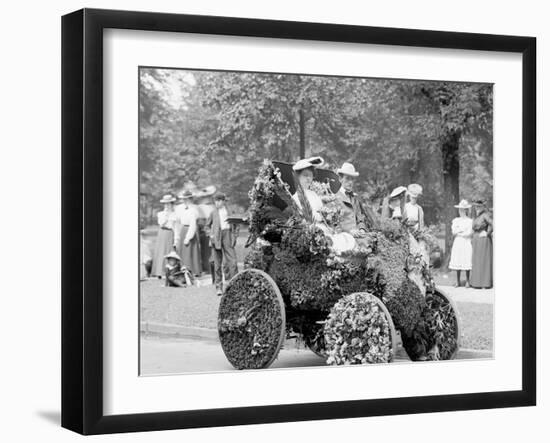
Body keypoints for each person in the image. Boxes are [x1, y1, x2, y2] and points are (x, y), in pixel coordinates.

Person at [206, 192, 239, 295]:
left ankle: (235, 285)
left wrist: (235, 236)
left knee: (232, 261)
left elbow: (236, 224)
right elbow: (207, 226)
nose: (217, 203)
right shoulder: (213, 213)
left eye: (219, 201)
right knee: (217, 264)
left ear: (224, 201)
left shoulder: (230, 211)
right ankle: (218, 287)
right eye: (216, 201)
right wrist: (210, 235)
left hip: (227, 235)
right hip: (216, 237)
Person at [174, 190, 202, 277]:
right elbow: (178, 222)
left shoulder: (193, 210)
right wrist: (178, 236)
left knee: (190, 251)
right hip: (183, 229)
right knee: (182, 252)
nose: (185, 201)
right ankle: (183, 270)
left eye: (187, 199)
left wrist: (188, 237)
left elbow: (193, 225)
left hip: (189, 231)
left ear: (190, 199)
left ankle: (193, 270)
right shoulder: (181, 209)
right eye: (184, 199)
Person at [151, 194, 179, 277]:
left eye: (169, 203)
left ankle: (168, 271)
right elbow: (161, 223)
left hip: (170, 233)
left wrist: (176, 239)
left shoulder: (175, 215)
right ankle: (158, 272)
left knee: (169, 252)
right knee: (161, 252)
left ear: (171, 204)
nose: (167, 205)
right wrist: (166, 215)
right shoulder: (161, 214)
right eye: (165, 204)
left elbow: (176, 228)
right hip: (162, 233)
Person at [291, 156, 325, 223]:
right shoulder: (296, 197)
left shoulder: (313, 194)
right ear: (298, 177)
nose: (308, 178)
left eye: (310, 175)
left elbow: (322, 210)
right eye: (305, 175)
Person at [449, 199, 473, 287]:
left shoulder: (470, 221)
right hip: (458, 241)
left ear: (466, 210)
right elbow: (454, 231)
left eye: (463, 210)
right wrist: (460, 231)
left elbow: (469, 233)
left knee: (466, 259)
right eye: (460, 209)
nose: (461, 211)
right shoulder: (456, 220)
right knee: (457, 259)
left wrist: (460, 231)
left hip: (466, 242)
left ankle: (467, 280)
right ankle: (457, 281)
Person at [470, 198, 493, 289]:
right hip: (476, 240)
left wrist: (487, 233)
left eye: (479, 206)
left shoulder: (486, 215)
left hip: (483, 241)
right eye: (476, 207)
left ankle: (484, 283)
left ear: (483, 207)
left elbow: (493, 224)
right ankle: (476, 283)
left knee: (483, 261)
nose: (477, 208)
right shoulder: (476, 216)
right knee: (477, 261)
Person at [195, 185, 216, 277]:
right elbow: (198, 220)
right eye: (205, 197)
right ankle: (203, 267)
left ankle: (209, 268)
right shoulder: (199, 207)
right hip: (200, 230)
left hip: (210, 229)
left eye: (208, 197)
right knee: (202, 250)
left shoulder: (213, 207)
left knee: (209, 250)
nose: (207, 198)